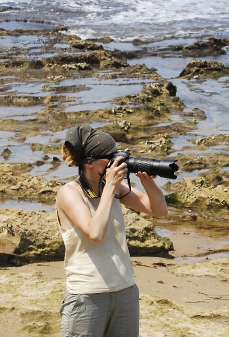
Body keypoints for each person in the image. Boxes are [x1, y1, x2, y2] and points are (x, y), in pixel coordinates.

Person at [56, 124, 169, 337]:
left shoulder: (114, 188)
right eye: (109, 157)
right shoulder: (69, 193)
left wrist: (147, 182)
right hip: (87, 294)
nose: (115, 161)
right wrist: (109, 187)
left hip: (124, 290)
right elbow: (95, 232)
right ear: (89, 162)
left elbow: (160, 210)